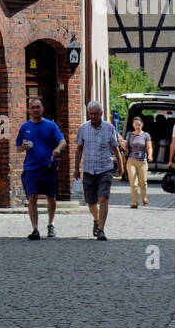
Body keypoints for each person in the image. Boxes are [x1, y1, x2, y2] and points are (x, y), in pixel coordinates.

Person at [14, 97, 67, 239]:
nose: (36, 110)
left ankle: (50, 223)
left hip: (48, 166)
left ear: (42, 109)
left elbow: (63, 141)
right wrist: (22, 147)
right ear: (29, 110)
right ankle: (35, 229)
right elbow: (18, 147)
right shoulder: (25, 127)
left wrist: (57, 149)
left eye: (38, 107)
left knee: (51, 197)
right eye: (33, 107)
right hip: (31, 168)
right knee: (32, 197)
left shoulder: (50, 126)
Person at [74, 101, 123, 240]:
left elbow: (115, 148)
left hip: (105, 169)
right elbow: (79, 149)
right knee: (90, 202)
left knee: (103, 198)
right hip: (89, 169)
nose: (93, 116)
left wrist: (120, 166)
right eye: (91, 114)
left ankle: (101, 229)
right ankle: (96, 219)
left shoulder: (109, 128)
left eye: (96, 114)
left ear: (101, 113)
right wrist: (76, 168)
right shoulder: (83, 128)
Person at [125, 115, 153, 207]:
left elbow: (149, 146)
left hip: (142, 160)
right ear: (133, 125)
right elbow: (126, 148)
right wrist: (123, 146)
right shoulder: (129, 135)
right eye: (135, 124)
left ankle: (144, 197)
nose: (137, 126)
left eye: (139, 124)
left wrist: (150, 155)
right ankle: (135, 201)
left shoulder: (146, 135)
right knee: (133, 182)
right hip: (131, 160)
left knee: (143, 182)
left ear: (142, 124)